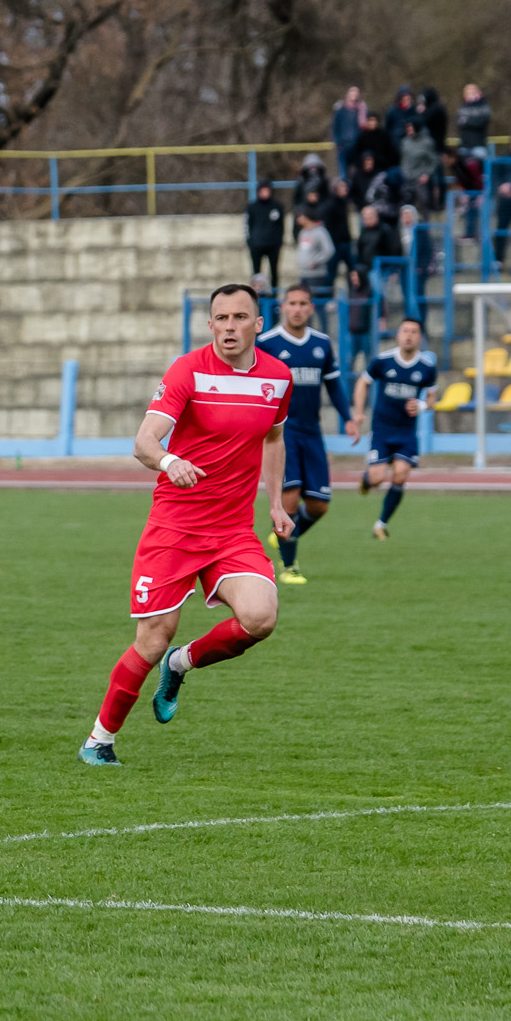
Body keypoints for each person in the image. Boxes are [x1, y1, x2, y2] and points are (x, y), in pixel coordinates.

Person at [79, 284, 295, 766]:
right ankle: (99, 740)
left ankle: (183, 662)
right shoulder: (188, 370)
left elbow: (274, 439)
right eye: (221, 318)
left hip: (233, 530)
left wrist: (275, 504)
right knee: (152, 637)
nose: (230, 326)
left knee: (261, 618)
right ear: (210, 324)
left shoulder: (278, 379)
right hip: (176, 526)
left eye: (241, 317)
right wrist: (169, 460)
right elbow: (144, 441)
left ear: (258, 324)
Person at [256, 286, 356, 584]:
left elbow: (334, 386)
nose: (297, 309)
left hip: (313, 433)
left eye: (303, 304)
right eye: (292, 303)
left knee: (319, 505)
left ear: (311, 308)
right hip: (281, 434)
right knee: (289, 499)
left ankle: (288, 533)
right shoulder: (267, 343)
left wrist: (348, 418)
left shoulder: (322, 344)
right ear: (283, 307)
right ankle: (290, 568)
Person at [354, 318, 437, 538]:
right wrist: (359, 412)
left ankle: (381, 524)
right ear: (398, 335)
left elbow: (431, 397)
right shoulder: (383, 361)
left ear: (420, 338)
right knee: (377, 478)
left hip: (406, 432)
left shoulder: (426, 367)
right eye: (405, 331)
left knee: (401, 475)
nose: (409, 335)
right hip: (382, 430)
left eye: (414, 332)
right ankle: (366, 480)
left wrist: (421, 405)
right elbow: (363, 382)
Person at [244, 182, 285, 289]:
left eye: (267, 190)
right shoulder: (252, 206)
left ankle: (274, 294)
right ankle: (257, 294)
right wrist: (250, 241)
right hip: (256, 244)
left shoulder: (277, 206)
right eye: (263, 190)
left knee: (274, 271)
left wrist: (279, 241)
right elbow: (248, 225)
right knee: (256, 272)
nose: (265, 193)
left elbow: (281, 226)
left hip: (273, 244)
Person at [331, 86, 367, 179]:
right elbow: (335, 128)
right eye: (352, 92)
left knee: (358, 174)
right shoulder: (340, 110)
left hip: (357, 147)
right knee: (343, 175)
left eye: (356, 93)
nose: (354, 95)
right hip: (343, 146)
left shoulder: (362, 109)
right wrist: (338, 143)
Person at [292, 210, 332, 291]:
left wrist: (316, 261)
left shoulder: (320, 231)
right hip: (303, 273)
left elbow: (329, 250)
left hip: (316, 274)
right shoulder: (302, 232)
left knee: (315, 299)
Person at [456, 84, 492, 156]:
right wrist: (472, 120)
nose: (470, 94)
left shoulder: (484, 106)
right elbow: (459, 122)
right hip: (464, 146)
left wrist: (467, 121)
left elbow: (480, 122)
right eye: (468, 92)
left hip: (479, 146)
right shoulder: (462, 107)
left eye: (472, 92)